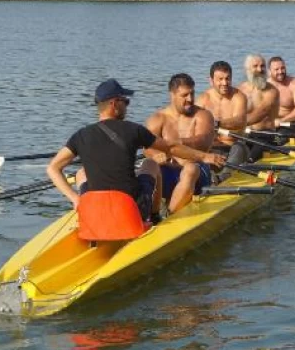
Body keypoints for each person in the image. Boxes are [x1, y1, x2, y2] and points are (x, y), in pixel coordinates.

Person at [47, 78, 225, 240]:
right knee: (150, 164)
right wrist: (205, 156)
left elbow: (53, 168)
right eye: (125, 101)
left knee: (81, 172)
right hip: (131, 211)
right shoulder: (133, 130)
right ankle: (155, 218)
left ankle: (86, 207)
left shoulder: (80, 135)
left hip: (94, 210)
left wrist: (75, 199)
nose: (127, 106)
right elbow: (171, 148)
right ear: (114, 104)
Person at [145, 73, 220, 214]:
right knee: (146, 169)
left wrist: (173, 145)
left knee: (190, 169)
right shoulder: (157, 118)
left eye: (192, 93)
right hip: (168, 169)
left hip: (197, 171)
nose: (190, 99)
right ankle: (148, 215)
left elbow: (203, 143)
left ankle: (169, 216)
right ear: (172, 95)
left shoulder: (203, 115)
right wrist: (157, 155)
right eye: (185, 95)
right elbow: (147, 147)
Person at [195, 61, 249, 165]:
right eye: (220, 79)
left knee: (240, 147)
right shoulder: (203, 99)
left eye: (227, 78)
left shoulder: (239, 97)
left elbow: (240, 121)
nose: (225, 83)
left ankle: (223, 177)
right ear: (211, 81)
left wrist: (216, 123)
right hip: (210, 150)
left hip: (232, 148)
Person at [238, 54, 280, 161]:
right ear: (247, 69)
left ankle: (249, 164)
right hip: (245, 135)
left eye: (262, 66)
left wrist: (237, 123)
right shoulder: (240, 89)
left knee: (254, 151)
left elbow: (262, 112)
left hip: (266, 135)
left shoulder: (272, 91)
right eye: (255, 66)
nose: (260, 69)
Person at [268, 56, 295, 127]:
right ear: (269, 71)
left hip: (288, 123)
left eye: (282, 68)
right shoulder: (265, 85)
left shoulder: (294, 84)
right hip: (268, 123)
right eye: (276, 69)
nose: (280, 72)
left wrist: (281, 121)